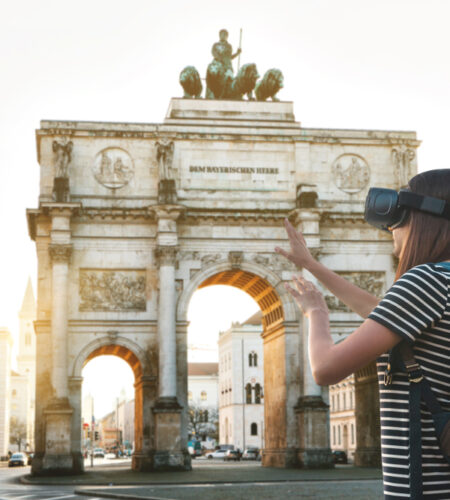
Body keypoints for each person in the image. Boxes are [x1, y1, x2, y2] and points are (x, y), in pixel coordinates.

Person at [275, 168, 450, 499]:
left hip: (423, 489)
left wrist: (317, 313)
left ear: (425, 220)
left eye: (399, 217)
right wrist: (313, 266)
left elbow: (325, 368)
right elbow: (381, 312)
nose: (389, 229)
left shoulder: (424, 281)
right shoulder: (443, 283)